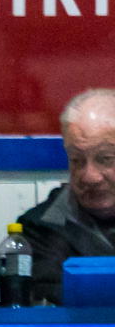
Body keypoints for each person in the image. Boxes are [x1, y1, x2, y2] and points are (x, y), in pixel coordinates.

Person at [13, 89, 115, 305]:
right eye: (77, 160)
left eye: (105, 159)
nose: (90, 177)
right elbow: (52, 300)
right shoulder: (41, 227)